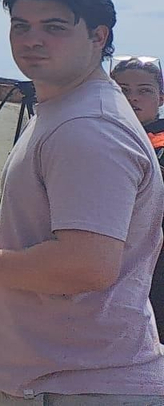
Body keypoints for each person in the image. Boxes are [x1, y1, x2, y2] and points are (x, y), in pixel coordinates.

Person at [0, 0, 164, 404]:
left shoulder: (88, 127)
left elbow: (86, 265)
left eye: (54, 27)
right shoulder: (65, 110)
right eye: (21, 26)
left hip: (81, 384)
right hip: (66, 378)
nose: (31, 40)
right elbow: (78, 232)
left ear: (98, 36)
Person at [113, 56, 164, 343]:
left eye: (144, 90)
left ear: (160, 98)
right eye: (123, 90)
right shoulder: (93, 134)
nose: (133, 98)